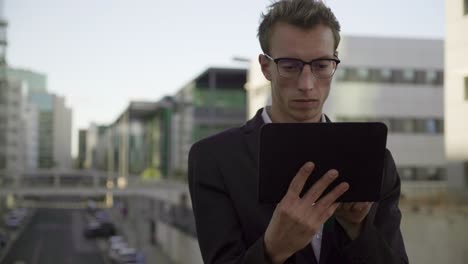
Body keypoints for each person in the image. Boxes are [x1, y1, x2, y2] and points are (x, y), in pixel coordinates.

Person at [188, 0, 408, 263]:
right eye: (290, 66)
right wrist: (273, 249)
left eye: (321, 65)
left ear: (334, 62)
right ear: (266, 67)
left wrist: (357, 229)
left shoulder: (376, 161)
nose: (307, 84)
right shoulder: (214, 159)